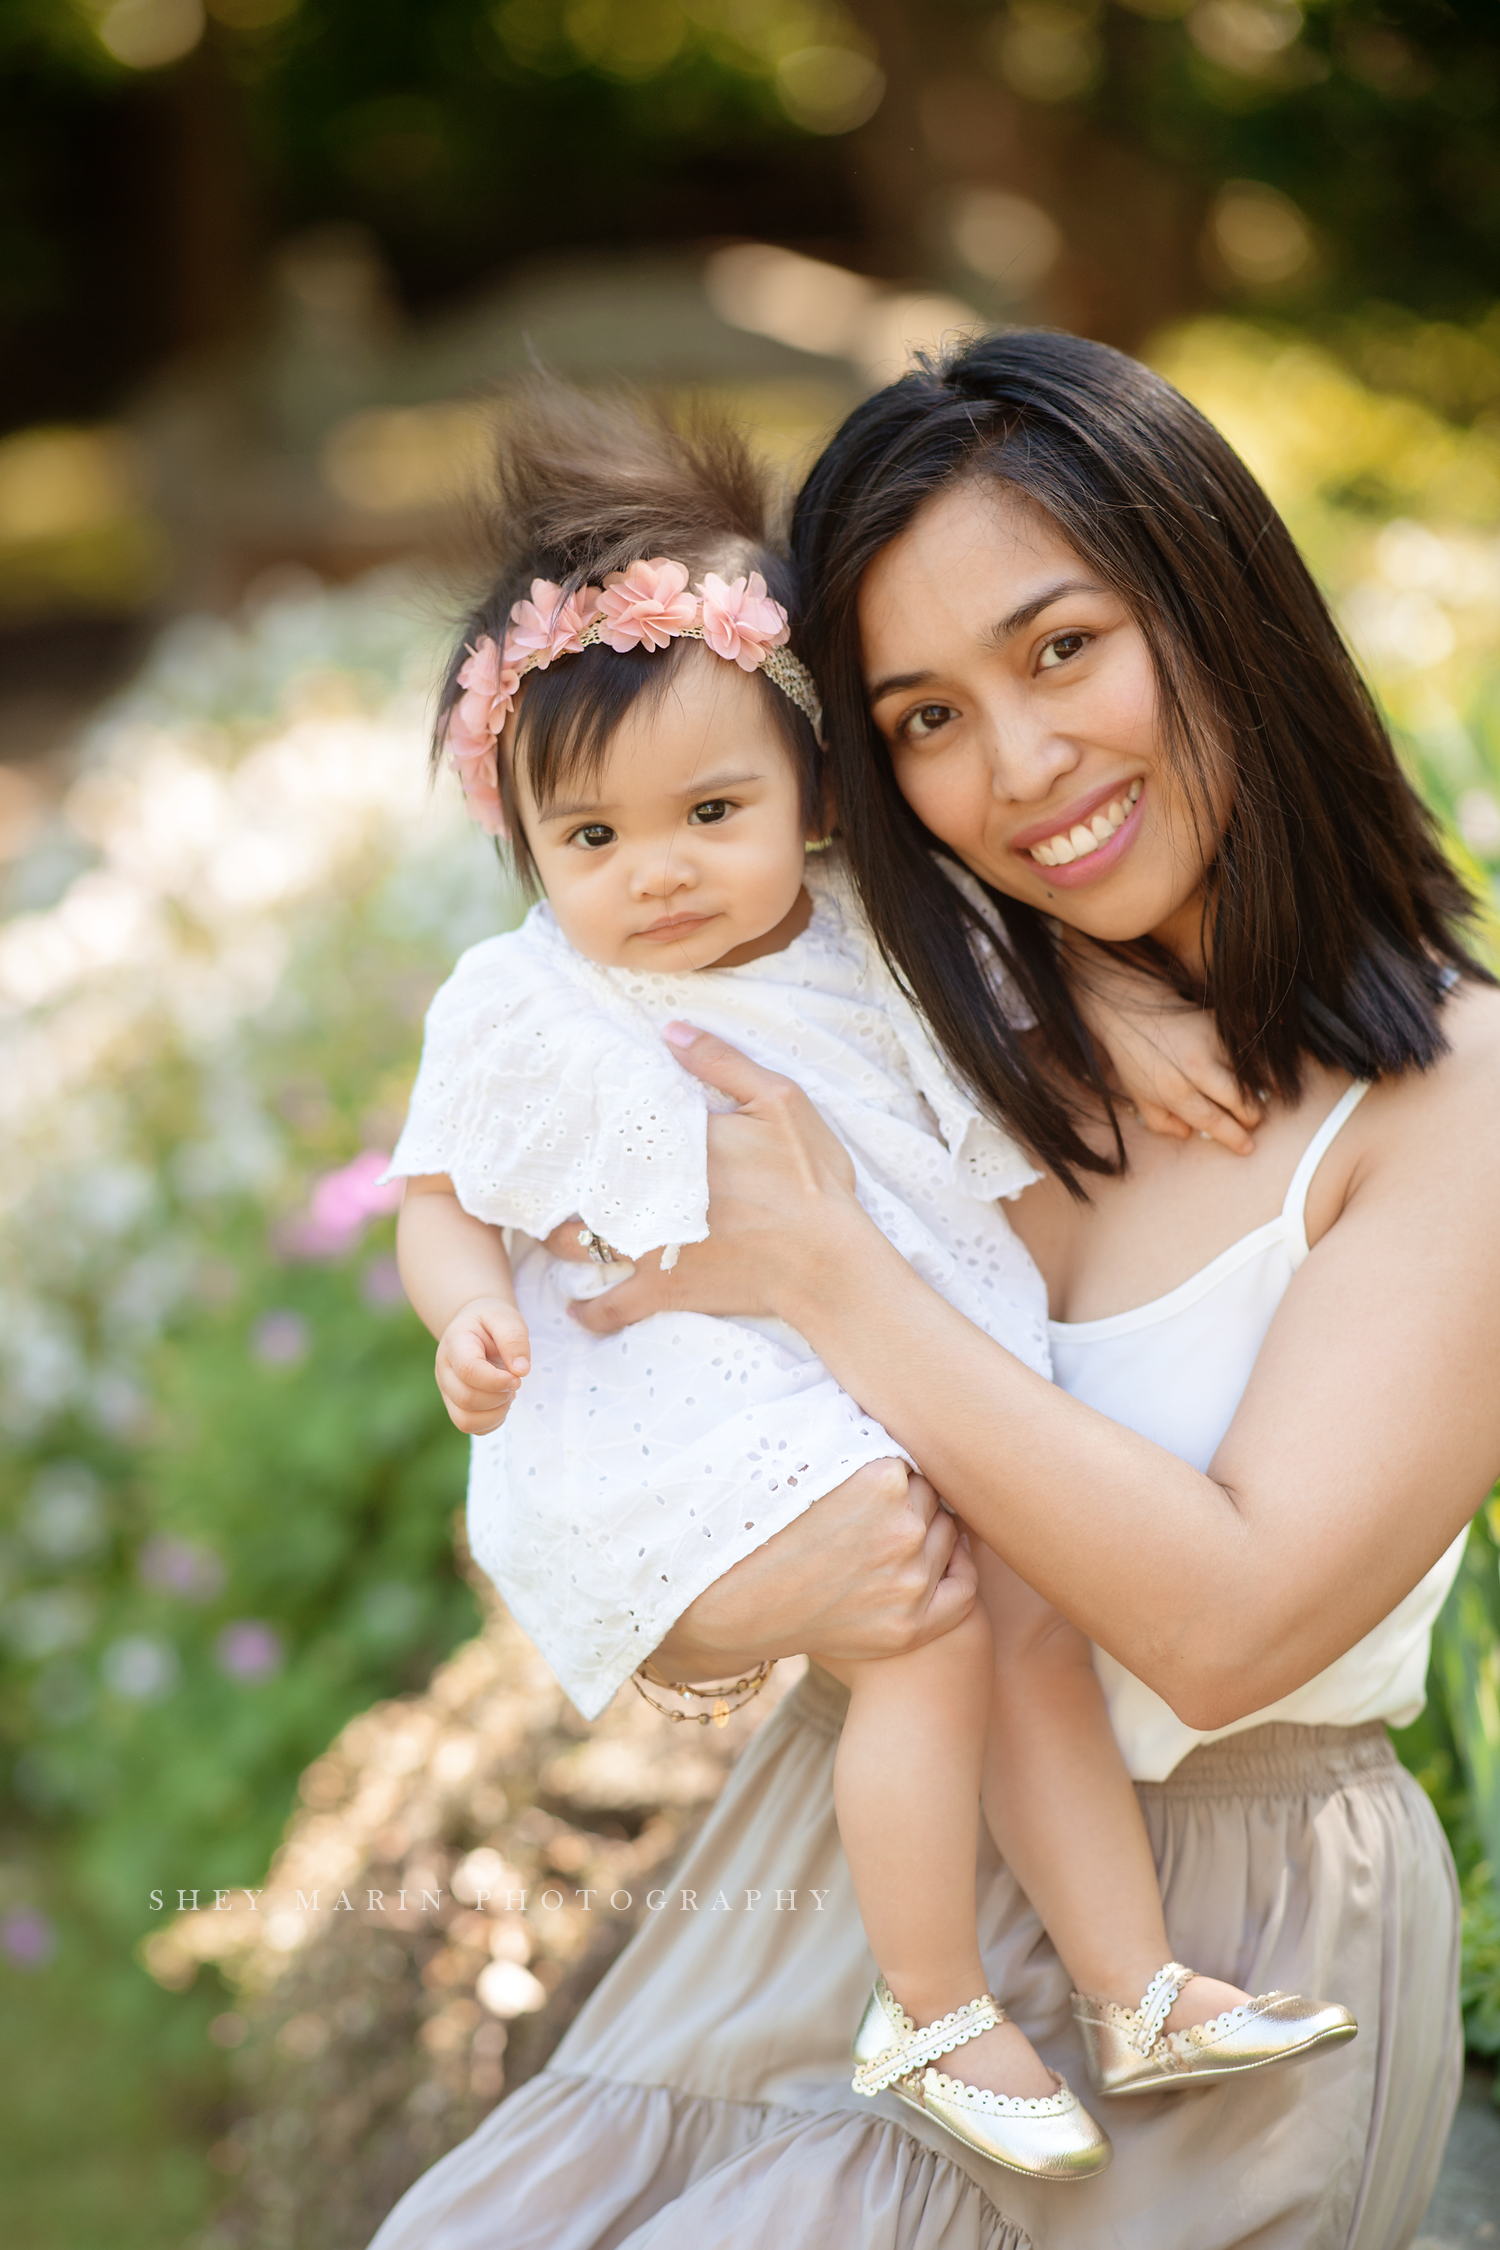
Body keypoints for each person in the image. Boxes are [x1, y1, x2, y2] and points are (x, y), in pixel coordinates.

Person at [367, 335, 1499, 2250]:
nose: (1023, 766)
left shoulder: (1451, 1111)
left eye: (1063, 650)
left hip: (1211, 1910)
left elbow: (1226, 1630)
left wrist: (838, 1274)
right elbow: (627, 1439)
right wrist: (736, 1606)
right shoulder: (888, 1020)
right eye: (923, 717)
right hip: (835, 1860)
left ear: (1217, 605)